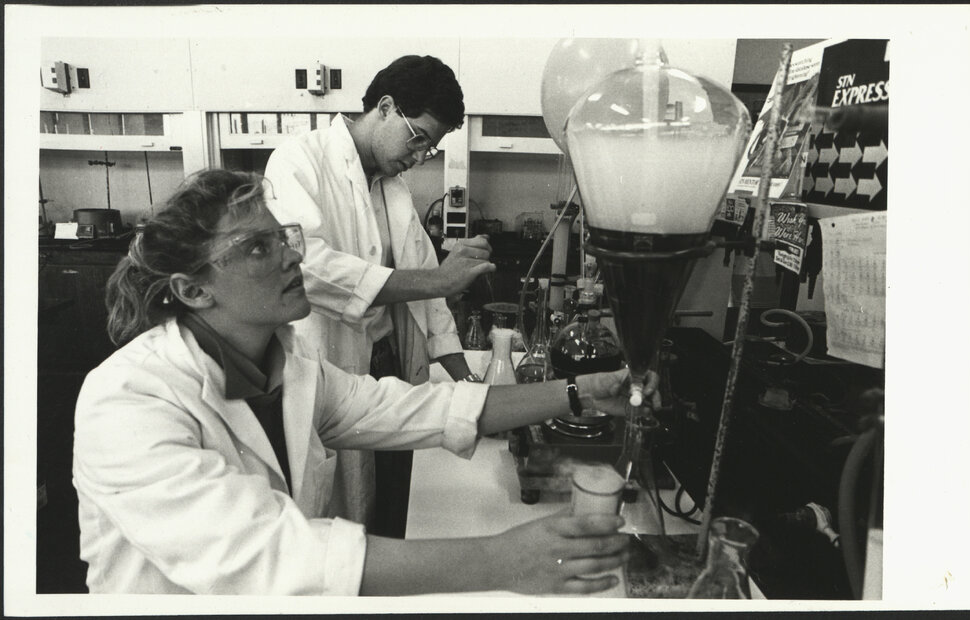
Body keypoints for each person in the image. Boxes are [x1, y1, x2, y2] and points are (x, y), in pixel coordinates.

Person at [73, 169, 658, 595]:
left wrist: (580, 392)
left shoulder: (291, 368)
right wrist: (501, 560)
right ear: (194, 290)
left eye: (285, 239)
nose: (289, 259)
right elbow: (265, 555)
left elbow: (408, 410)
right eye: (256, 247)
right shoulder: (127, 402)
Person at [263, 55, 491, 536]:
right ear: (385, 107)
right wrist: (439, 281)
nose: (420, 155)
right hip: (333, 364)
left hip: (389, 365)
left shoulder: (393, 187)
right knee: (343, 519)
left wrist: (467, 380)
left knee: (392, 504)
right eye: (420, 139)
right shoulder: (300, 160)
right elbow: (307, 267)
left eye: (430, 148)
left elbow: (428, 290)